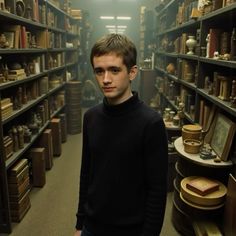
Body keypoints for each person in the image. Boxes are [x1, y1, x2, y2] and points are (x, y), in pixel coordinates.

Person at [74, 34, 168, 236]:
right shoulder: (90, 117)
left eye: (114, 70)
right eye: (99, 71)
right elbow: (86, 174)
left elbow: (157, 192)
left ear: (132, 72)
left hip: (130, 230)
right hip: (91, 227)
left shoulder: (151, 123)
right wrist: (80, 224)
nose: (106, 79)